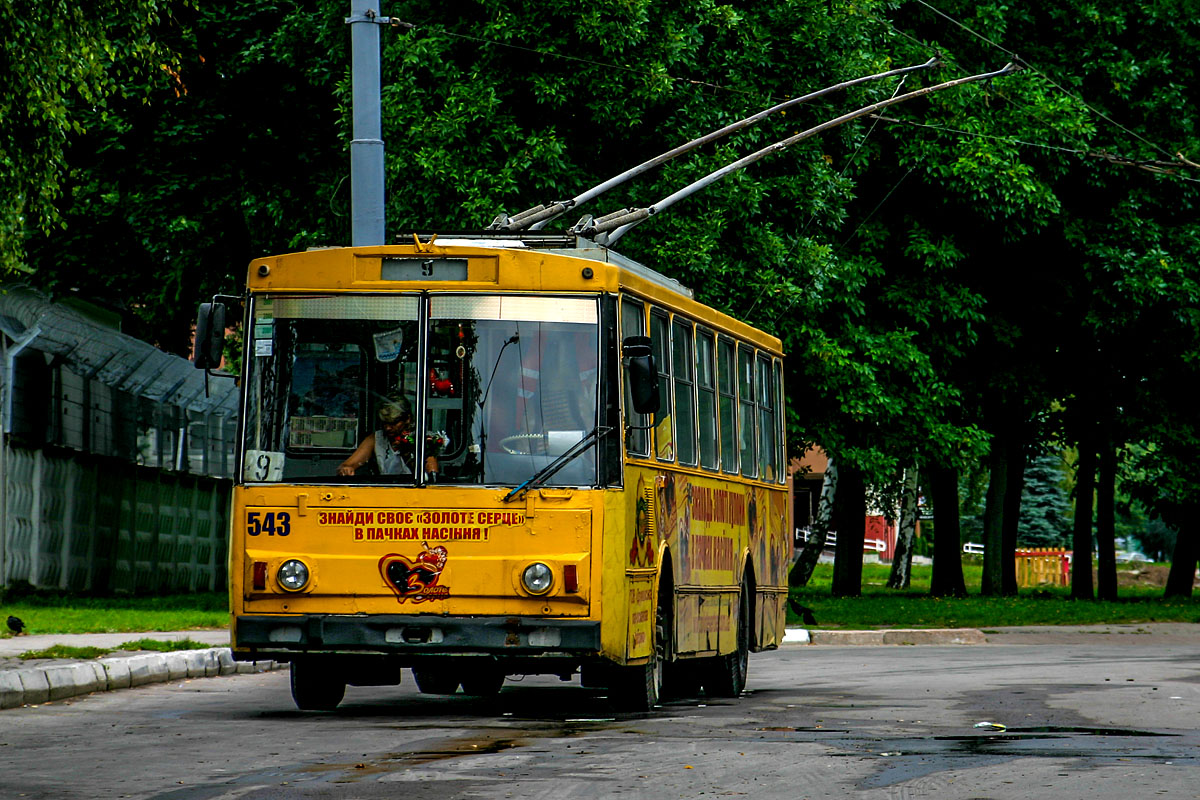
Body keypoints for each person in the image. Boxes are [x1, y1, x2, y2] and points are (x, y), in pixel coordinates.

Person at [337, 398, 438, 477]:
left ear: (407, 419)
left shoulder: (423, 439)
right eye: (385, 423)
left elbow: (431, 474)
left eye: (393, 423)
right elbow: (347, 465)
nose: (388, 428)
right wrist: (346, 469)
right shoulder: (376, 438)